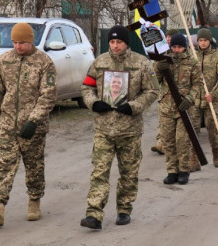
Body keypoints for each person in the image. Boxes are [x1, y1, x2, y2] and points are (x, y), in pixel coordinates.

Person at [80, 25, 159, 230]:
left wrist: (133, 107)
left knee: (129, 173)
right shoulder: (99, 63)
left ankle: (124, 209)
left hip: (130, 130)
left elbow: (152, 91)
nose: (115, 46)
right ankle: (94, 213)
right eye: (112, 42)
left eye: (119, 42)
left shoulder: (141, 63)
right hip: (104, 128)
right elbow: (87, 86)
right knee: (99, 172)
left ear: (126, 43)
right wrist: (93, 102)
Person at [0, 22, 57, 227]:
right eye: (15, 42)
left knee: (34, 166)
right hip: (7, 124)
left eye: (22, 42)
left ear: (30, 41)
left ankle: (34, 200)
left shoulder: (44, 62)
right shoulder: (4, 60)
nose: (18, 46)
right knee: (5, 165)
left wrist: (33, 120)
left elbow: (48, 96)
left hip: (33, 127)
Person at [155, 33, 201, 185]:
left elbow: (197, 84)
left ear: (185, 47)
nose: (176, 50)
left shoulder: (192, 62)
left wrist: (190, 99)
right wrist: (158, 69)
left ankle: (184, 171)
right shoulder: (164, 61)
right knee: (168, 141)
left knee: (182, 141)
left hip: (184, 108)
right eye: (174, 47)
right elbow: (154, 82)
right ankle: (172, 171)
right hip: (166, 107)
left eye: (180, 47)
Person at [192, 28, 218, 168]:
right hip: (195, 98)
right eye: (200, 40)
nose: (202, 43)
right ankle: (194, 158)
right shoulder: (193, 56)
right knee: (193, 129)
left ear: (210, 40)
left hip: (211, 98)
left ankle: (215, 151)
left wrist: (213, 94)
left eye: (205, 40)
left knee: (212, 128)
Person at [151, 28, 180, 156]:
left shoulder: (183, 54)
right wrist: (158, 67)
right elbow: (155, 78)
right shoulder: (161, 54)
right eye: (167, 36)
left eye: (171, 36)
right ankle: (161, 143)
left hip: (181, 96)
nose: (168, 38)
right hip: (165, 95)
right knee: (163, 121)